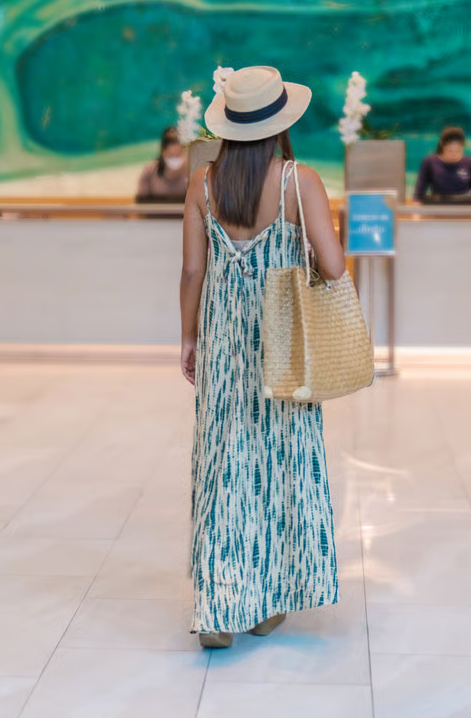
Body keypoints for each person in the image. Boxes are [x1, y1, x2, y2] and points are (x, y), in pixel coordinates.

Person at [178, 65, 346, 650]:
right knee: (280, 464)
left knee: (225, 465)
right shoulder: (301, 183)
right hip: (284, 347)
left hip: (223, 342)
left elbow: (193, 271)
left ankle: (218, 607)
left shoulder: (202, 184)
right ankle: (268, 601)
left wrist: (188, 339)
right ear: (279, 124)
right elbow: (333, 266)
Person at [414, 126, 471, 201]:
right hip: (437, 208)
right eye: (450, 151)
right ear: (442, 147)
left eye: (458, 151)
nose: (454, 155)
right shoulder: (429, 162)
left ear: (463, 147)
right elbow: (419, 195)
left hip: (463, 207)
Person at [137, 127, 190, 202]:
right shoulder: (149, 172)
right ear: (163, 152)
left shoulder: (192, 173)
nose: (174, 159)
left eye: (178, 155)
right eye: (170, 155)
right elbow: (142, 203)